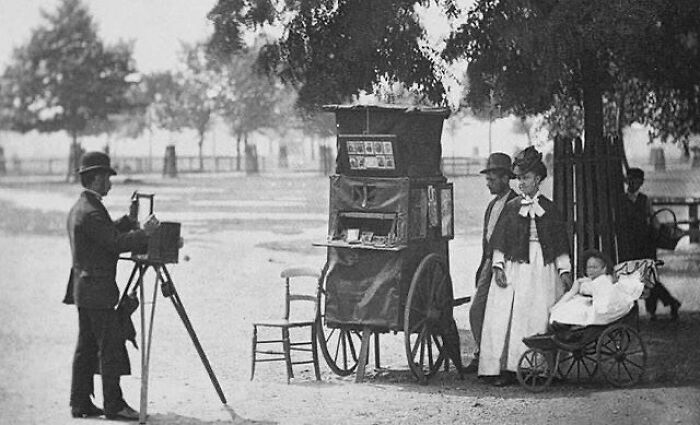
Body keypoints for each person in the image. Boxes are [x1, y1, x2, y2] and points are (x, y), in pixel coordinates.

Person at [63, 151, 158, 420]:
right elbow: (114, 243)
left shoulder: (83, 208)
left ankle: (80, 402)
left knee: (86, 346)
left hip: (85, 289)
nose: (110, 184)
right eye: (106, 178)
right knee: (111, 346)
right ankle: (114, 405)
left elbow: (104, 234)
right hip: (98, 291)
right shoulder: (92, 212)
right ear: (94, 179)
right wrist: (144, 234)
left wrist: (128, 220)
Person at [478, 146, 572, 386]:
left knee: (536, 312)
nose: (521, 183)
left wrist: (564, 270)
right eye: (519, 178)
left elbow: (559, 243)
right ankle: (506, 367)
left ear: (538, 179)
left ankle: (539, 368)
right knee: (505, 312)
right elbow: (501, 240)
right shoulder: (511, 208)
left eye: (526, 178)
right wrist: (498, 266)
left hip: (541, 267)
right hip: (515, 265)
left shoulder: (549, 209)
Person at [463, 153, 518, 374]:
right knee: (477, 310)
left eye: (492, 179)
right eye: (487, 179)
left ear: (505, 178)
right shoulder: (492, 205)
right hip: (489, 261)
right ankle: (482, 353)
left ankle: (497, 361)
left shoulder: (515, 204)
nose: (488, 184)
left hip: (506, 262)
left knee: (498, 312)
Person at [617, 167, 681, 320]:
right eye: (630, 180)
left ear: (641, 183)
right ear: (626, 181)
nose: (633, 184)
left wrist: (659, 232)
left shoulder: (645, 200)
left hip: (645, 244)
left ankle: (653, 310)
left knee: (648, 278)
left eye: (637, 181)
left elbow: (654, 221)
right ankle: (670, 303)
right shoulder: (620, 200)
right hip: (628, 244)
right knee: (632, 277)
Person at [549, 250, 644, 327]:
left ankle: (564, 324)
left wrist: (578, 287)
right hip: (599, 306)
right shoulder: (593, 281)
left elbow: (603, 301)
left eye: (594, 267)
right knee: (571, 306)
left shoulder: (602, 280)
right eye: (588, 267)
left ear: (604, 269)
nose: (590, 271)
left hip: (603, 311)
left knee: (570, 309)